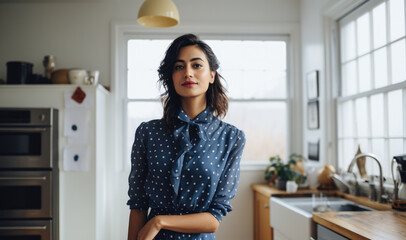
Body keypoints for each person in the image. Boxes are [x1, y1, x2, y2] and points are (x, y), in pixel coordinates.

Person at [127, 33, 246, 240]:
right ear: (171, 76)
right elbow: (138, 205)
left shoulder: (231, 138)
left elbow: (214, 219)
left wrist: (159, 221)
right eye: (179, 67)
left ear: (212, 75)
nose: (188, 73)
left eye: (197, 65)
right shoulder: (147, 133)